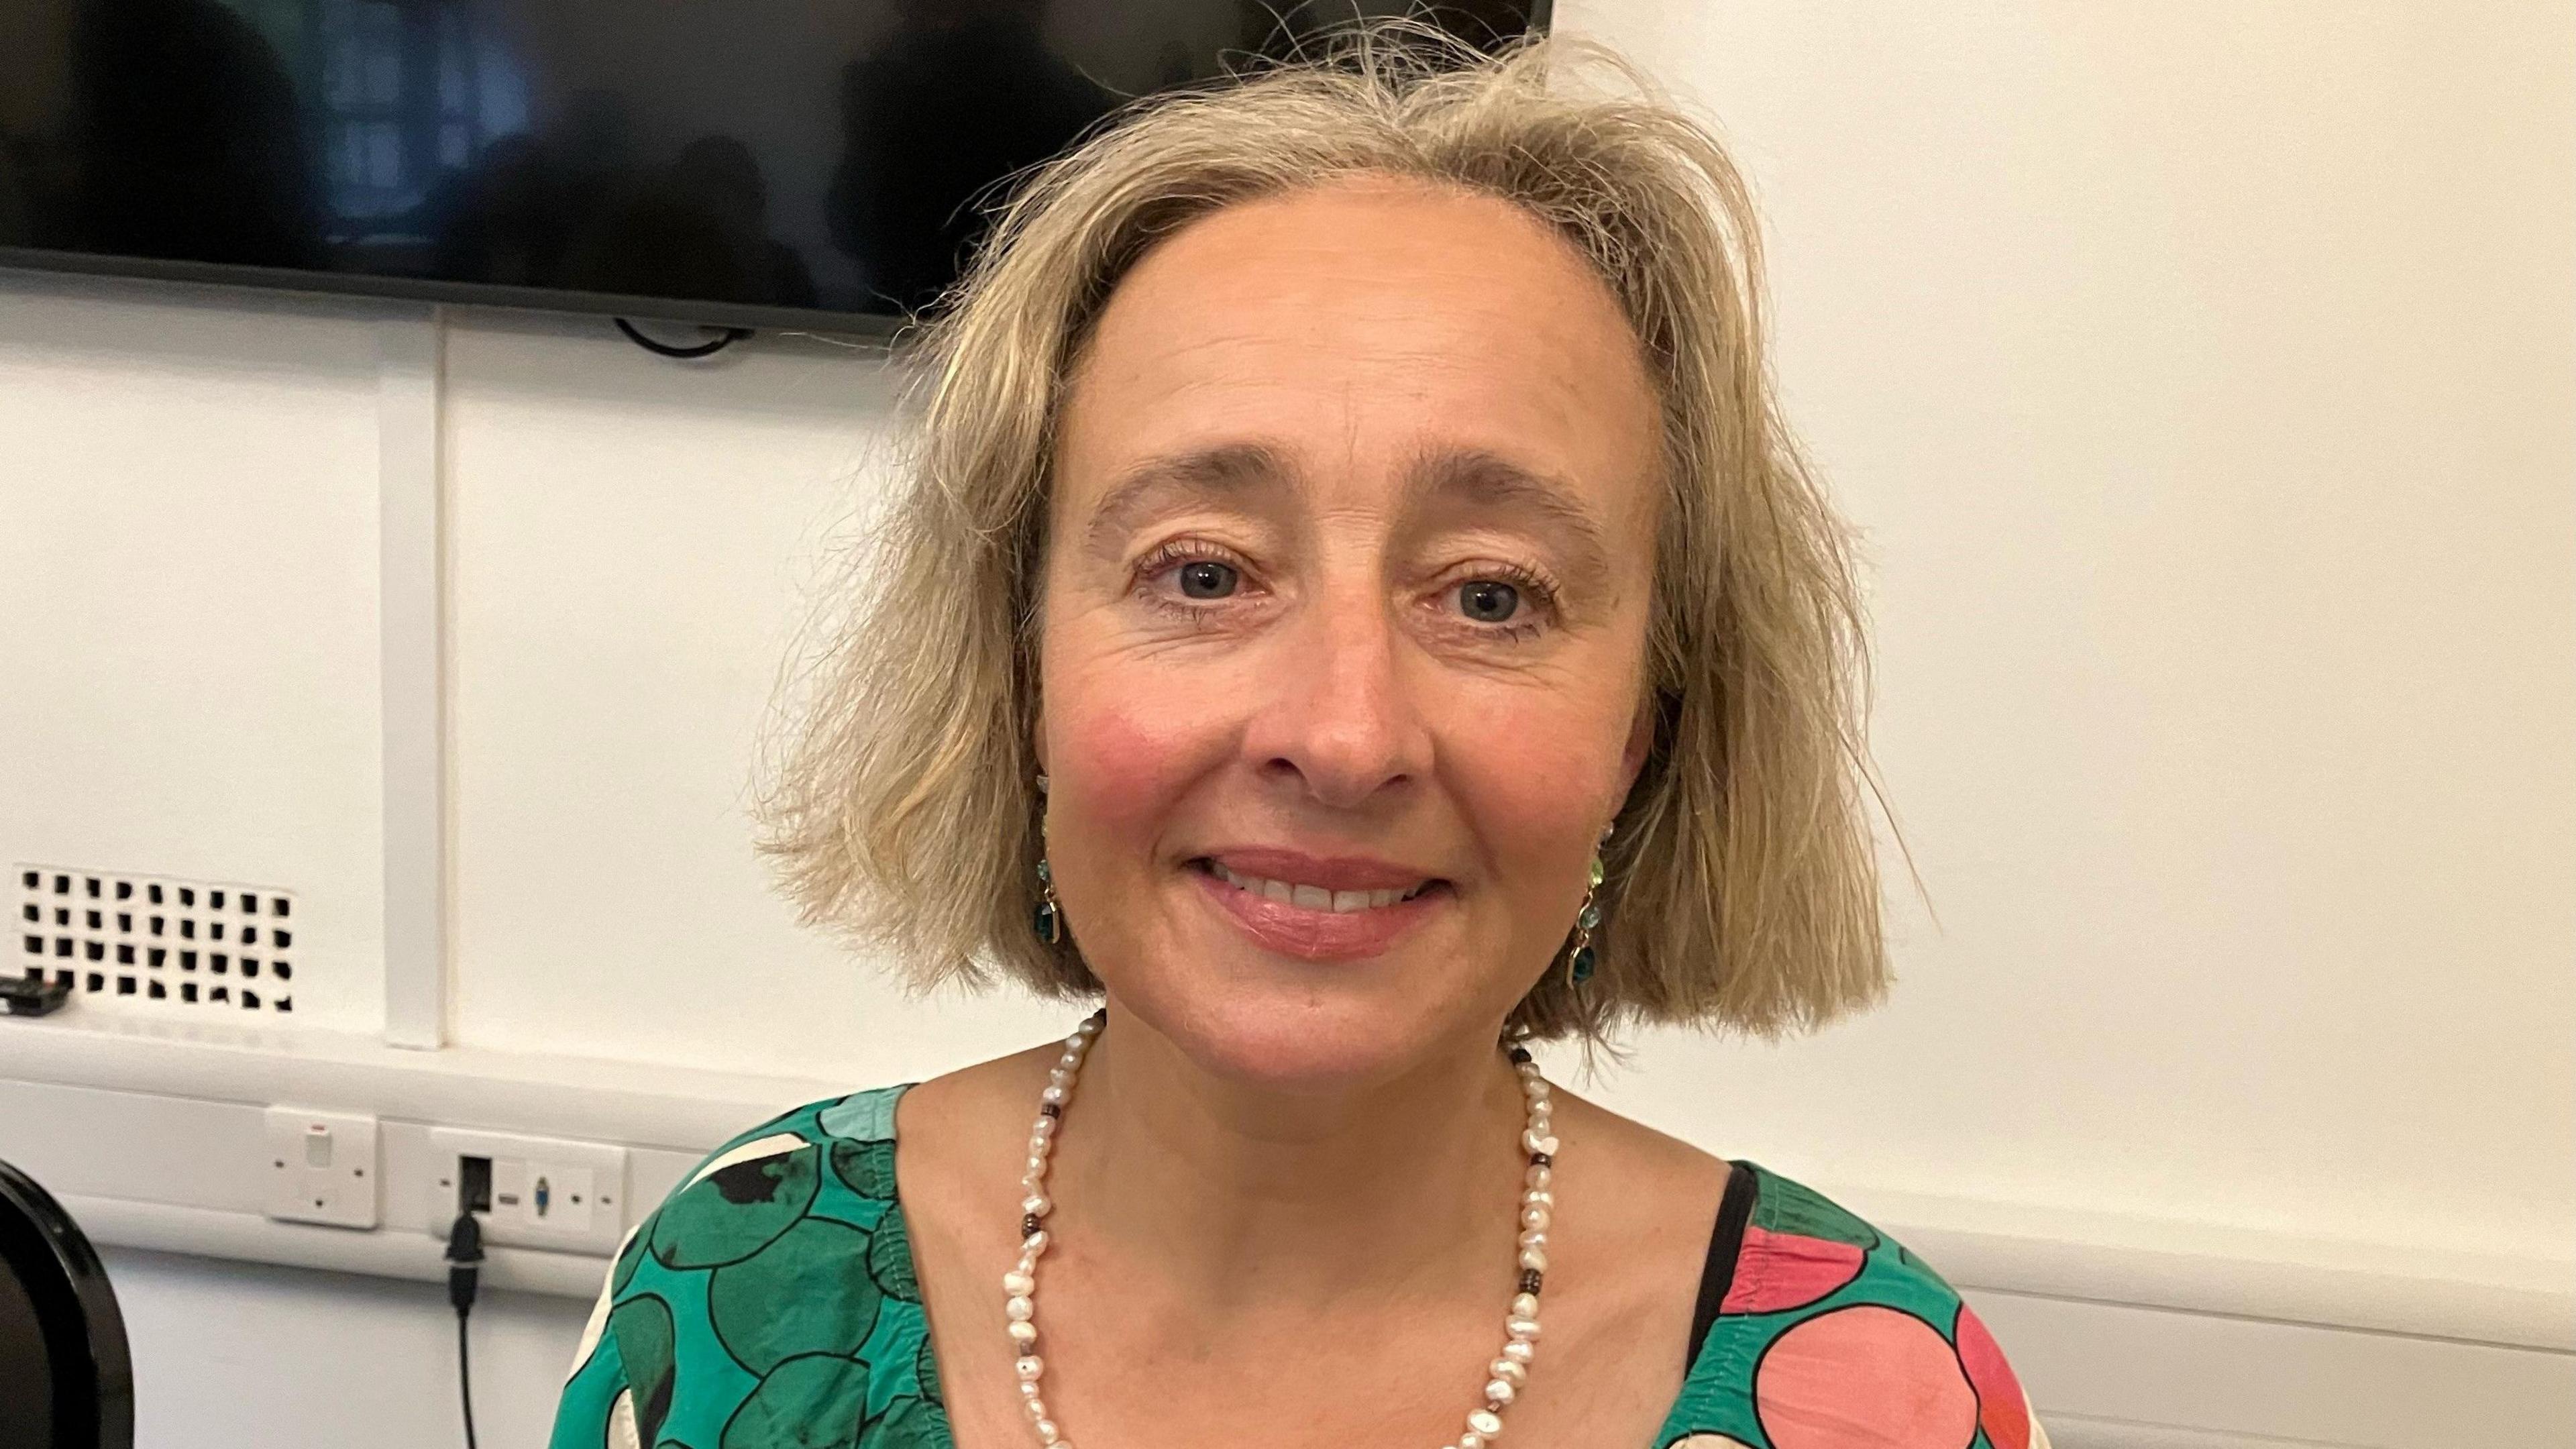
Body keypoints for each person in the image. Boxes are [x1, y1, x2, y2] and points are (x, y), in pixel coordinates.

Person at [549, 23, 2047, 1449]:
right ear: (1022, 677)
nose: (1345, 736)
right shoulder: (734, 1289)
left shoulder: (1893, 1397)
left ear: (1648, 730)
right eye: (1202, 573)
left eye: (1492, 595)